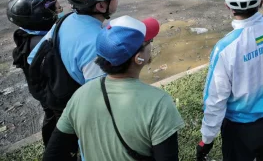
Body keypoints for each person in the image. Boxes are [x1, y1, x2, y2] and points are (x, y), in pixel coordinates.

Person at [43, 15, 184, 161]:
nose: (151, 45)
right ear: (138, 57)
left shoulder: (80, 95)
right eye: (148, 41)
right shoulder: (159, 104)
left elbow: (53, 154)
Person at [196, 0, 263, 161]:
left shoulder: (225, 48)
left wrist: (207, 138)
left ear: (227, 6)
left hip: (240, 130)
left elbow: (216, 99)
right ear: (260, 2)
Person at [27, 0, 120, 133]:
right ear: (101, 6)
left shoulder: (66, 19)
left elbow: (32, 57)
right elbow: (100, 99)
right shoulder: (97, 43)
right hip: (78, 110)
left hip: (56, 96)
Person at [7, 0, 63, 145]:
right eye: (55, 7)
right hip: (50, 93)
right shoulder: (42, 44)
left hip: (42, 91)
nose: (59, 9)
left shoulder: (27, 33)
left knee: (51, 117)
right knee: (58, 122)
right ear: (41, 16)